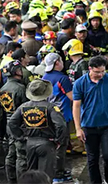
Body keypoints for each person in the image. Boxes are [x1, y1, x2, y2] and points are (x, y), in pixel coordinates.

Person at [73, 56, 108, 184]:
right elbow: (76, 105)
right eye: (98, 72)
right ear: (90, 69)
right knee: (92, 158)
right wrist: (78, 128)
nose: (101, 74)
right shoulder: (80, 83)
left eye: (103, 71)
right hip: (89, 126)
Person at [8, 79, 67, 181]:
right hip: (46, 143)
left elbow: (12, 122)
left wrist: (20, 137)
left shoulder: (23, 107)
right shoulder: (51, 107)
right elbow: (61, 125)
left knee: (31, 176)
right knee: (45, 176)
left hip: (29, 143)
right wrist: (58, 140)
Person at [42, 53, 73, 182]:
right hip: (62, 115)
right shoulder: (63, 79)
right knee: (61, 144)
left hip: (48, 115)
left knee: (51, 143)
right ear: (57, 63)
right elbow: (72, 97)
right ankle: (58, 173)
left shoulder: (44, 77)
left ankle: (51, 170)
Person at [0, 61, 28, 182]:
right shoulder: (20, 88)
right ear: (16, 71)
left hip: (9, 123)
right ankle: (22, 180)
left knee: (11, 153)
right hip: (20, 124)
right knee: (21, 155)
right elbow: (26, 108)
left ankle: (11, 179)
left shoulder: (2, 89)